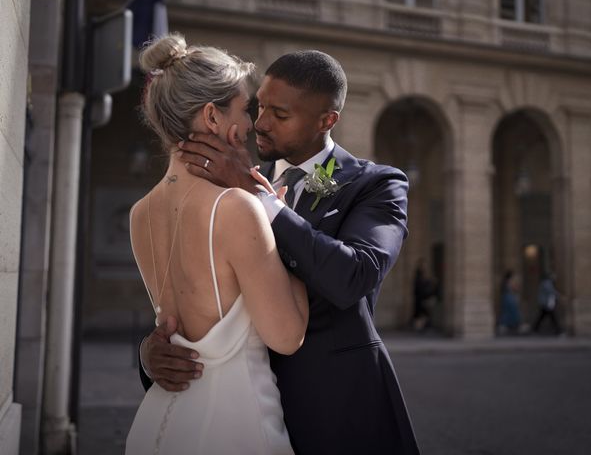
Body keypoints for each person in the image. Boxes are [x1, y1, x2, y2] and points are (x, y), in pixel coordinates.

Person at [140, 49, 420, 454]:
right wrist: (153, 352)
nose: (261, 124)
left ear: (327, 121)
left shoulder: (376, 184)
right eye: (259, 107)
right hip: (240, 414)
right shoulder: (227, 184)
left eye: (281, 115)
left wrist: (262, 203)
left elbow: (354, 276)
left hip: (338, 413)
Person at [126, 34, 308, 454]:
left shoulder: (139, 214)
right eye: (245, 110)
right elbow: (287, 336)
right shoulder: (239, 209)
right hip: (236, 424)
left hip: (161, 421)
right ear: (212, 116)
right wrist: (278, 222)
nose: (251, 125)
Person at [496, 270, 523, 335]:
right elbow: (514, 288)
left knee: (507, 312)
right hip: (509, 298)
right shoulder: (508, 282)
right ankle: (510, 325)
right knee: (511, 312)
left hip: (507, 298)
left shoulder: (505, 282)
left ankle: (507, 325)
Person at [412, 258, 434, 330]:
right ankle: (418, 327)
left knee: (423, 313)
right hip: (419, 296)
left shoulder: (423, 273)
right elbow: (418, 286)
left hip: (423, 296)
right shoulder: (418, 274)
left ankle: (420, 327)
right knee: (419, 312)